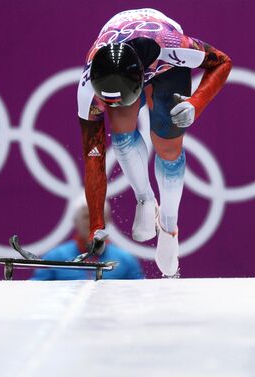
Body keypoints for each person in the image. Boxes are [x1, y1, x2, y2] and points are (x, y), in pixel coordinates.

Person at [77, 8, 232, 277]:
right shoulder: (88, 90)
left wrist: (197, 103)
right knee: (122, 131)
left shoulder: (175, 48)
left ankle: (169, 225)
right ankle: (145, 199)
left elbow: (223, 62)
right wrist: (96, 226)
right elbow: (94, 158)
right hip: (122, 55)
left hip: (165, 62)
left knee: (168, 147)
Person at [31, 201, 144, 280]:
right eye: (87, 216)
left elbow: (138, 298)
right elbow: (37, 295)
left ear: (108, 221)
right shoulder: (53, 258)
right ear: (75, 221)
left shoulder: (126, 259)